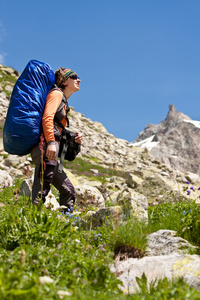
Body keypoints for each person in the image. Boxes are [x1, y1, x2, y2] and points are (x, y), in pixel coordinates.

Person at [31, 68, 82, 212]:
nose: (78, 79)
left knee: (67, 190)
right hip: (45, 146)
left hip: (48, 148)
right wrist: (52, 143)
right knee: (42, 186)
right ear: (64, 81)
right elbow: (47, 117)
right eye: (74, 76)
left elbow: (55, 125)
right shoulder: (56, 94)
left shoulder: (63, 101)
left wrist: (73, 137)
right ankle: (33, 222)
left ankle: (66, 223)